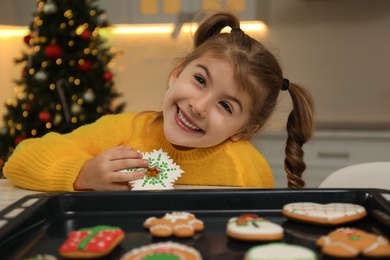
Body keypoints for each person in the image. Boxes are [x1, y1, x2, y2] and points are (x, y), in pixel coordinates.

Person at [3, 11, 314, 192]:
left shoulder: (245, 171)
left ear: (243, 131)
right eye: (200, 80)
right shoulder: (124, 129)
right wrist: (81, 174)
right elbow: (20, 160)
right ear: (176, 74)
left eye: (226, 106)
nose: (199, 105)